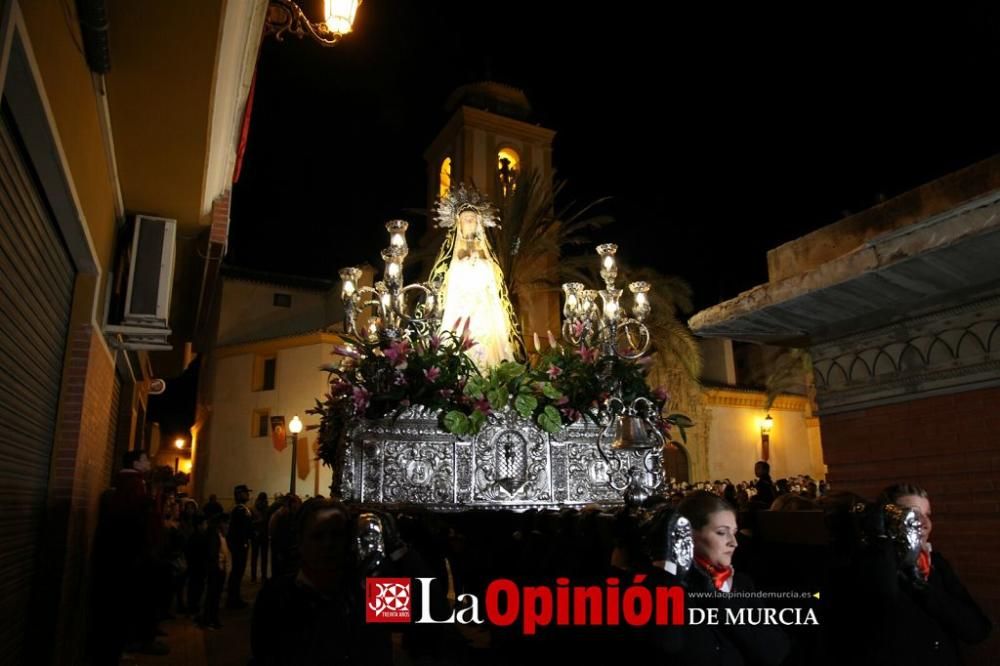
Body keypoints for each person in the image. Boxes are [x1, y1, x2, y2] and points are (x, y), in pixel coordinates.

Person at [847, 483, 992, 664]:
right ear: (886, 521)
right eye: (912, 514)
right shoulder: (865, 567)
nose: (924, 523)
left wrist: (924, 588)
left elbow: (977, 630)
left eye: (927, 515)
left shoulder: (935, 563)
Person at [251, 498, 393, 665]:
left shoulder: (370, 593)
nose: (328, 544)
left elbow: (426, 607)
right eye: (318, 536)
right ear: (300, 541)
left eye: (337, 535)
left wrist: (398, 549)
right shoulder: (273, 595)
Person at [677, 491, 790, 665]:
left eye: (734, 532)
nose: (734, 542)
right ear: (689, 535)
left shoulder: (741, 584)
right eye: (722, 533)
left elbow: (774, 651)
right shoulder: (674, 591)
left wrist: (726, 597)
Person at [428, 184, 523, 370]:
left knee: (490, 351)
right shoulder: (451, 255)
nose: (469, 222)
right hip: (461, 309)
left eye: (472, 219)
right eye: (465, 220)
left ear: (478, 223)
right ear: (459, 224)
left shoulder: (486, 254)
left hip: (484, 310)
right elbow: (447, 283)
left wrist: (480, 263)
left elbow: (494, 282)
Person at [226, 484, 253, 608]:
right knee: (237, 571)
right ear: (239, 494)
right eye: (245, 492)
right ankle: (233, 599)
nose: (248, 495)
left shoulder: (241, 509)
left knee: (238, 572)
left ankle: (234, 597)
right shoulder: (240, 510)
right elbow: (242, 529)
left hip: (239, 543)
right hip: (239, 544)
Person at [251, 491, 270, 582]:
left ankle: (253, 576)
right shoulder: (267, 508)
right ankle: (263, 575)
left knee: (254, 556)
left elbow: (251, 522)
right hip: (264, 534)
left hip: (256, 534)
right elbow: (267, 521)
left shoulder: (254, 508)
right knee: (264, 557)